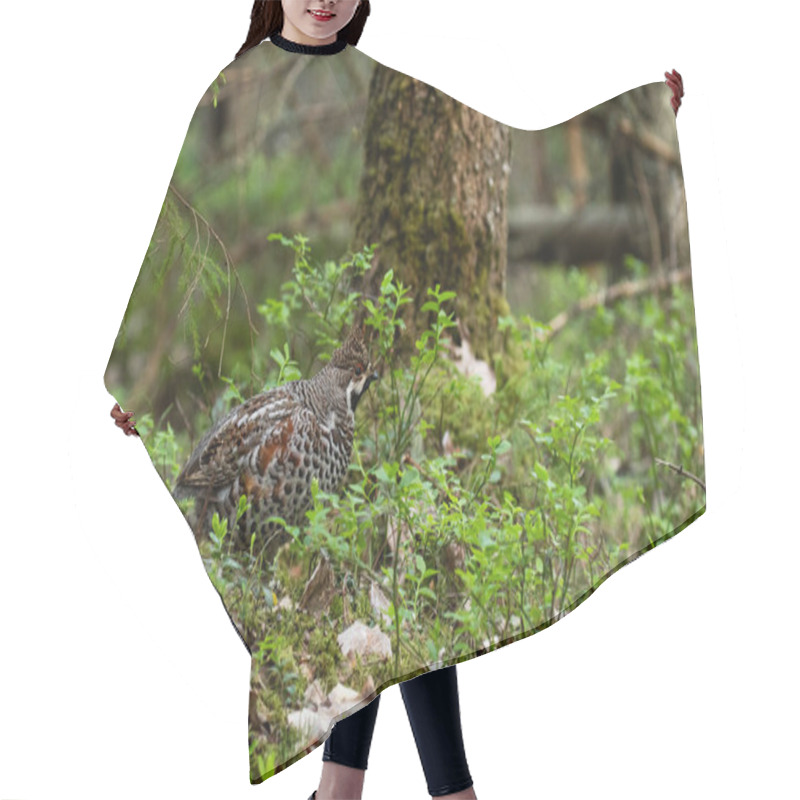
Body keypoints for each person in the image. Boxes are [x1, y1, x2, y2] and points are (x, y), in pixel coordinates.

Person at [235, 4, 479, 799]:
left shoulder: (390, 79)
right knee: (359, 583)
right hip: (306, 423)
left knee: (399, 582)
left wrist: (653, 107)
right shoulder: (240, 77)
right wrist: (130, 390)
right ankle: (380, 790)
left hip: (377, 407)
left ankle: (356, 790)